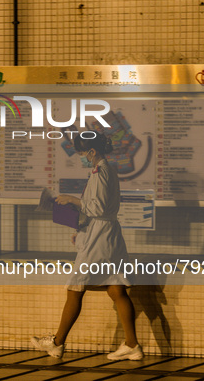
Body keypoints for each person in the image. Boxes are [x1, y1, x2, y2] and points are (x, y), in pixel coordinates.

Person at [31, 132, 143, 361]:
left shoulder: (100, 172)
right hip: (106, 236)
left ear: (92, 151)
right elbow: (97, 209)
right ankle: (131, 344)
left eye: (82, 152)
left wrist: (71, 200)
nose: (81, 156)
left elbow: (97, 207)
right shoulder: (104, 171)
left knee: (75, 287)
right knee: (116, 288)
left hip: (100, 239)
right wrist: (81, 228)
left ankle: (57, 343)